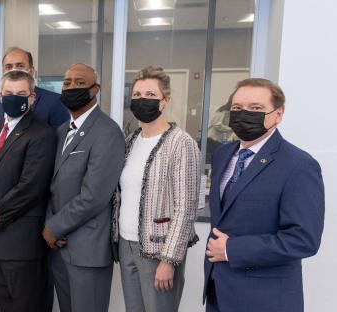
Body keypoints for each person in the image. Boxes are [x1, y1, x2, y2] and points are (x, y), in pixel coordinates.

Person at [204, 78, 324, 312]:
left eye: (256, 108)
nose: (243, 114)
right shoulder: (223, 154)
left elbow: (303, 240)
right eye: (237, 108)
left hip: (264, 299)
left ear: (278, 115)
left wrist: (231, 250)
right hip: (219, 290)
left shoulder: (299, 165)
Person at [112, 66, 201, 312]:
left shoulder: (181, 143)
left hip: (158, 252)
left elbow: (185, 207)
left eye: (150, 95)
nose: (142, 100)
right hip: (127, 245)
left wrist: (169, 260)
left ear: (165, 101)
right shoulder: (130, 141)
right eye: (137, 95)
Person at [0, 70, 56, 312]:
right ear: (0, 97)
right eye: (9, 93)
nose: (14, 98)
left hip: (20, 242)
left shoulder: (42, 133)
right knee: (4, 304)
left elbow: (30, 188)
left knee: (25, 306)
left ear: (32, 98)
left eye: (21, 94)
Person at [42, 63, 125, 312]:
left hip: (87, 250)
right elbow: (51, 187)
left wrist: (54, 227)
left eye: (79, 82)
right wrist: (50, 226)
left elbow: (94, 196)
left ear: (95, 89)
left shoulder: (107, 132)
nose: (71, 87)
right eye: (67, 83)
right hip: (58, 247)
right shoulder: (60, 132)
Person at [0, 47, 69, 129]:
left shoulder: (54, 102)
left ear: (31, 71)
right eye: (8, 67)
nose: (14, 70)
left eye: (20, 65)